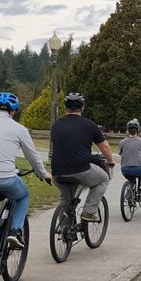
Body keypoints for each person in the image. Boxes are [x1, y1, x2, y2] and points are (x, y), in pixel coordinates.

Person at [0, 92, 52, 249]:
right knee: (23, 196)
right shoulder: (19, 129)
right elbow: (32, 156)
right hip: (6, 179)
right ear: (13, 111)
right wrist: (43, 174)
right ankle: (15, 231)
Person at [49, 92, 114, 222]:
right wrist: (110, 160)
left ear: (65, 107)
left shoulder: (56, 125)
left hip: (57, 172)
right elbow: (105, 147)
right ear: (82, 107)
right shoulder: (90, 125)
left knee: (65, 201)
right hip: (81, 170)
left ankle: (64, 232)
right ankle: (89, 212)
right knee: (103, 180)